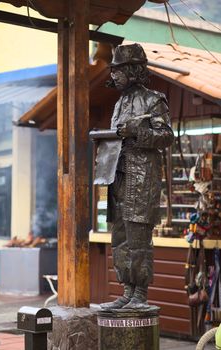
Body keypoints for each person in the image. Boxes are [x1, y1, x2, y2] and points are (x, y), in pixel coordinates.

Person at [96, 43, 174, 310]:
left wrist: (135, 134)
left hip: (142, 183)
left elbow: (166, 137)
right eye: (114, 70)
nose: (114, 75)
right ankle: (127, 292)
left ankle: (140, 293)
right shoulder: (118, 104)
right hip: (117, 179)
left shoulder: (154, 99)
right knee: (120, 239)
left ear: (134, 70)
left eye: (119, 70)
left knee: (139, 239)